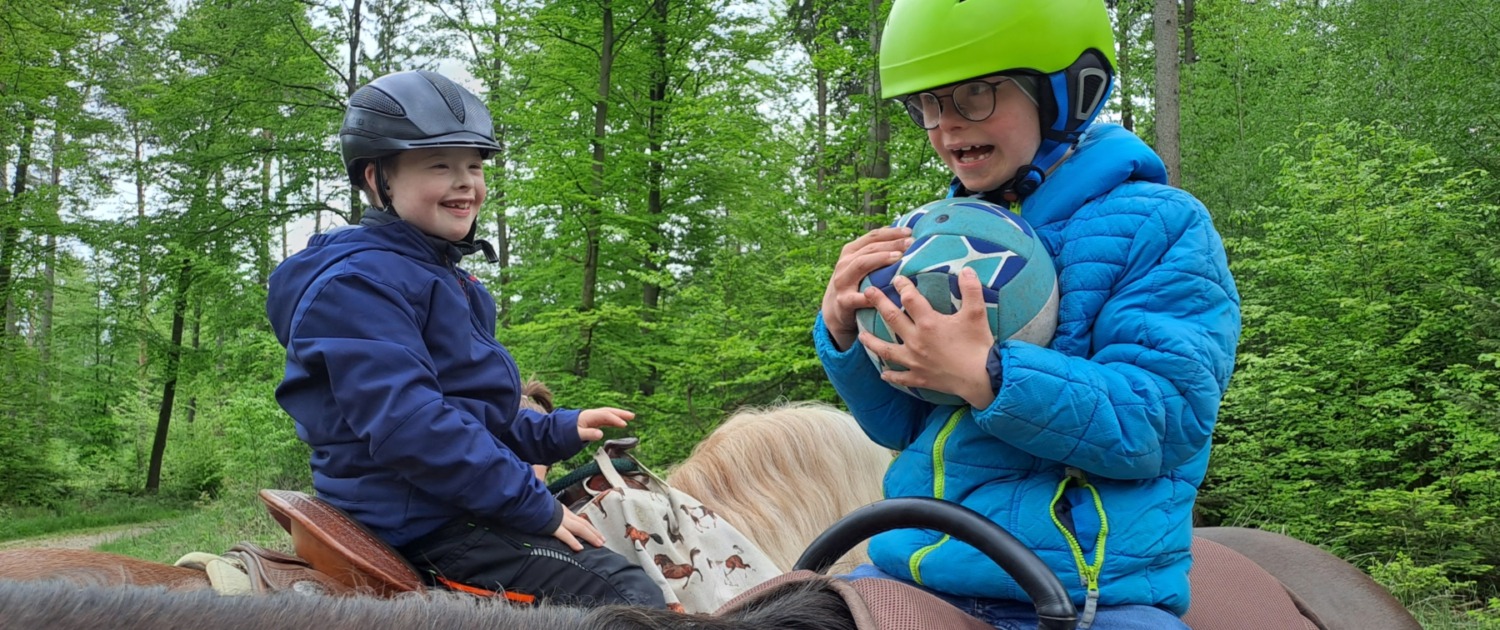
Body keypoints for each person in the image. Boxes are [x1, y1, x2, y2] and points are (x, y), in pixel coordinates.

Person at [814, 1, 1241, 628]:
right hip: (911, 565)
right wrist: (849, 335)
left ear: (1068, 92)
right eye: (928, 105)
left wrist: (990, 377)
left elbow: (1162, 421)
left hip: (1087, 589)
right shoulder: (938, 233)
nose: (947, 126)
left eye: (977, 95)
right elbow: (901, 427)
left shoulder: (1162, 224)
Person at [265, 70, 665, 608]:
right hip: (419, 524)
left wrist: (557, 430)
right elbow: (415, 429)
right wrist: (536, 506)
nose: (465, 183)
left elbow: (472, 414)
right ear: (374, 178)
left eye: (473, 166)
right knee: (625, 595)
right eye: (439, 165)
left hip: (449, 501)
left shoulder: (443, 278)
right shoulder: (357, 284)